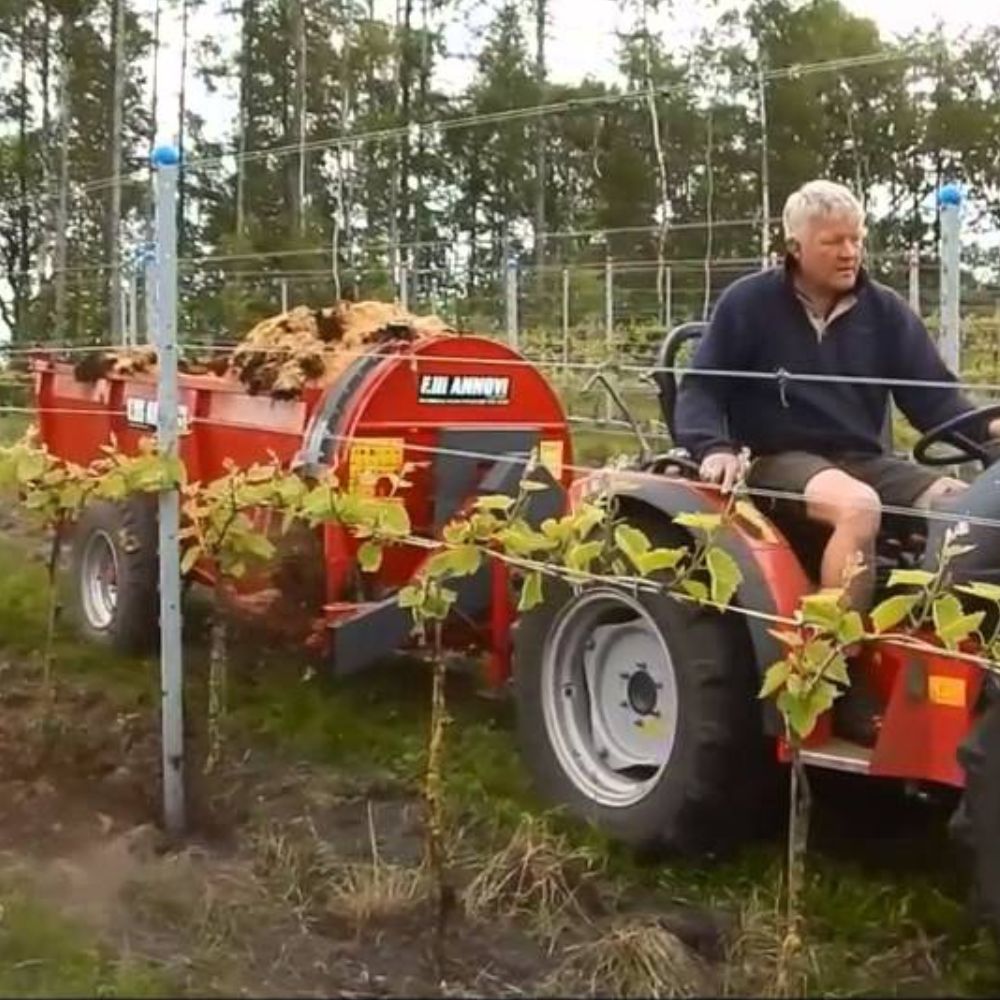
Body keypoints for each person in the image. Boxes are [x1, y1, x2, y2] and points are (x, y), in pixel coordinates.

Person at [674, 179, 1000, 611]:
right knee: (858, 506)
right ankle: (831, 642)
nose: (849, 252)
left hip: (861, 459)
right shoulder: (749, 303)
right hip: (775, 459)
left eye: (856, 239)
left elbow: (935, 401)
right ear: (795, 247)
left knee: (964, 510)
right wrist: (714, 448)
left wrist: (990, 428)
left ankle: (931, 629)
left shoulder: (885, 311)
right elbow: (703, 387)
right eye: (833, 242)